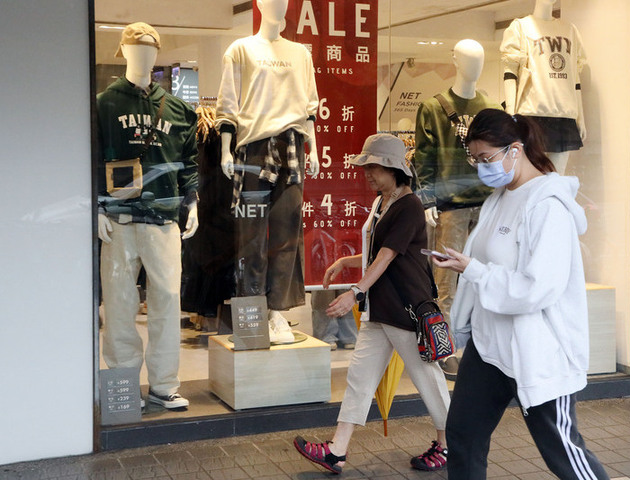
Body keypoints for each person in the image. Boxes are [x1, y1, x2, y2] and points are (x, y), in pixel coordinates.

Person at [434, 109, 609, 480]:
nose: (482, 168)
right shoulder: (498, 199)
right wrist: (459, 326)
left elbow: (538, 288)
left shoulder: (548, 206)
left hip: (536, 350)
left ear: (515, 149)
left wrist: (474, 270)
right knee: (462, 435)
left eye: (486, 159)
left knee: (563, 452)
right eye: (476, 160)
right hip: (490, 347)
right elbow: (478, 266)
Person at [293, 134, 451, 474]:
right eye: (366, 166)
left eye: (374, 167)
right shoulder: (384, 202)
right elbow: (378, 252)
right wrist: (348, 262)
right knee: (359, 378)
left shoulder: (408, 206)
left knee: (428, 380)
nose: (367, 173)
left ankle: (451, 442)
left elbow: (389, 255)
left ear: (394, 169)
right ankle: (337, 450)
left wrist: (355, 290)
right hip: (381, 310)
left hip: (407, 309)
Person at [97, 22, 199, 410]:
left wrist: (193, 201)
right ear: (122, 51)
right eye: (135, 48)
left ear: (158, 53)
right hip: (118, 220)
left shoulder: (178, 109)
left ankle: (163, 385)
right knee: (120, 305)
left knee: (167, 302)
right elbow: (91, 156)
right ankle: (124, 385)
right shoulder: (104, 104)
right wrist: (96, 205)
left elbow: (187, 161)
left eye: (150, 49)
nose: (143, 55)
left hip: (163, 218)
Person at [215, 0, 320, 344]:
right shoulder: (240, 49)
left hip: (291, 147)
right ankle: (253, 311)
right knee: (252, 237)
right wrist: (226, 149)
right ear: (259, 4)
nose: (279, 4)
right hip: (254, 150)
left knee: (287, 235)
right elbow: (228, 103)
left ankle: (277, 313)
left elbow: (309, 108)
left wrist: (313, 149)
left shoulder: (300, 53)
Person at [414, 39, 502, 379]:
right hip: (451, 205)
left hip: (488, 203)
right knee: (446, 282)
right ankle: (444, 349)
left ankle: (483, 349)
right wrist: (427, 199)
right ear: (455, 60)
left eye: (480, 58)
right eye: (469, 58)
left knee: (485, 279)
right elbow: (424, 156)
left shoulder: (491, 105)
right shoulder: (434, 107)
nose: (475, 65)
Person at [501, 0, 587, 174]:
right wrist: (510, 113)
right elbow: (510, 73)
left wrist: (580, 117)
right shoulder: (520, 27)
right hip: (532, 112)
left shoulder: (570, 30)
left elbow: (575, 78)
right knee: (532, 178)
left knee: (556, 179)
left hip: (564, 113)